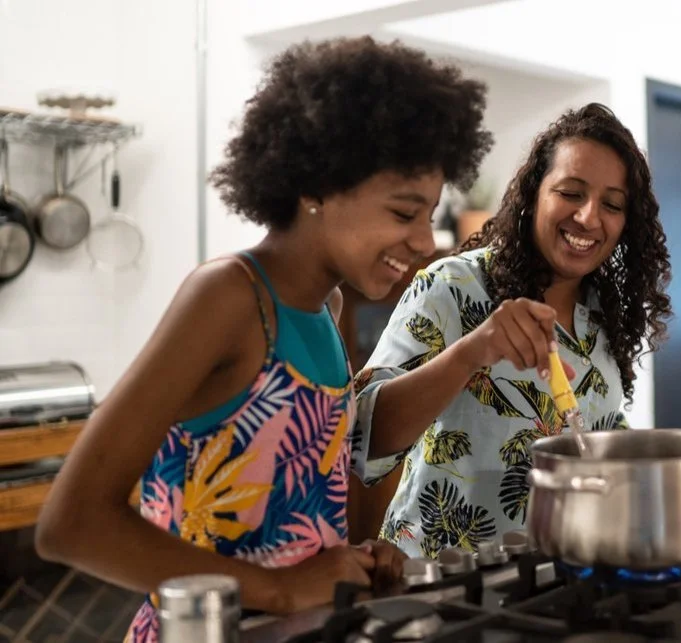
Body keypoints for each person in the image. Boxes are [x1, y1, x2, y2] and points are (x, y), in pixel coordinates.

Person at [34, 36, 494, 641]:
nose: (422, 240)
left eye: (429, 215)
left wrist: (360, 554)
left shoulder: (325, 307)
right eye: (404, 213)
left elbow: (302, 496)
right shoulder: (229, 297)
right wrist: (279, 589)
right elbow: (70, 524)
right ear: (316, 190)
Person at [351, 103, 673, 558]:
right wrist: (470, 353)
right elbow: (363, 436)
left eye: (612, 204)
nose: (588, 217)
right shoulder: (454, 287)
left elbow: (593, 432)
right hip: (441, 585)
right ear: (533, 195)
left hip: (554, 581)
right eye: (570, 192)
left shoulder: (604, 315)